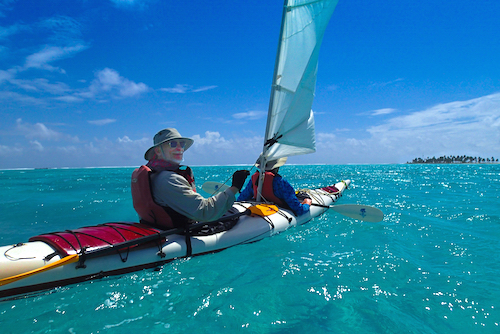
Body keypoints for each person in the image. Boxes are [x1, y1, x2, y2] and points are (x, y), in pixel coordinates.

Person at [131, 128, 249, 229]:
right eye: (172, 144)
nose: (179, 149)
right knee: (234, 213)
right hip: (182, 231)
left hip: (158, 226)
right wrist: (235, 187)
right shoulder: (169, 179)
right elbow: (206, 211)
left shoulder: (153, 173)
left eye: (181, 144)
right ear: (158, 151)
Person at [237, 157, 312, 216]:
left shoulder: (254, 180)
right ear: (277, 167)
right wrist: (306, 204)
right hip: (275, 210)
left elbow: (240, 199)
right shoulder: (281, 182)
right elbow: (299, 210)